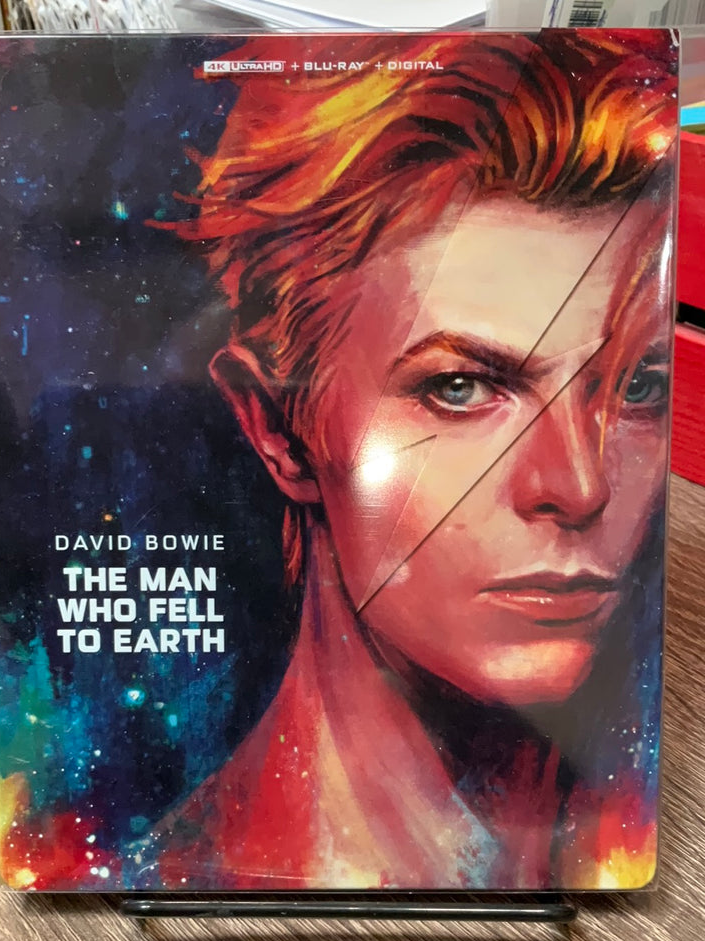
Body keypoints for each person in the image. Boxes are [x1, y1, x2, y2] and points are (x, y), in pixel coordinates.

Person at [150, 29, 676, 890]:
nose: (581, 486)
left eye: (638, 387)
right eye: (461, 389)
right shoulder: (183, 866)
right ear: (277, 425)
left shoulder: (619, 837)